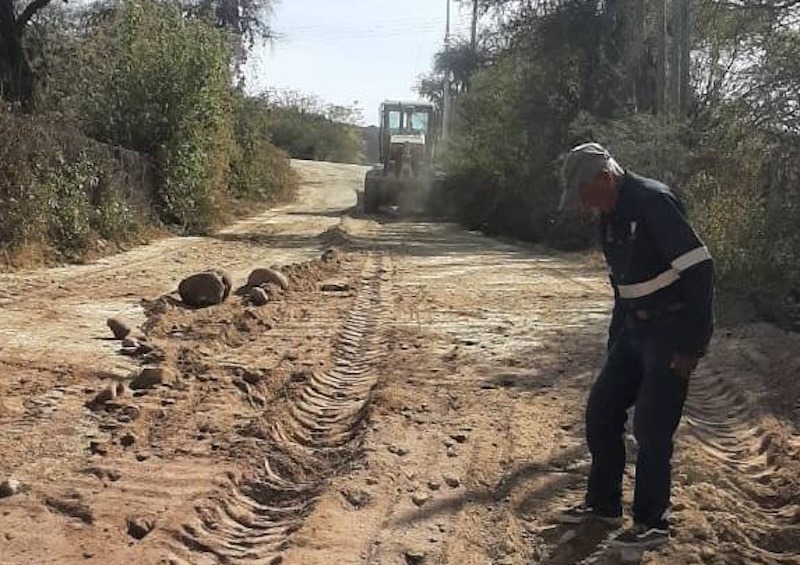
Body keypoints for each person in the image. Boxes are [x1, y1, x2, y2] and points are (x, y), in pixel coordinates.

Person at [556, 142, 715, 551]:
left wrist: (692, 346)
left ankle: (651, 523)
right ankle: (603, 505)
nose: (584, 203)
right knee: (601, 410)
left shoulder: (653, 202)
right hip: (634, 330)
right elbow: (623, 288)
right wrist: (616, 342)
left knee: (652, 427)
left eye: (585, 193)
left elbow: (700, 270)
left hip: (670, 333)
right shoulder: (610, 216)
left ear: (605, 178)